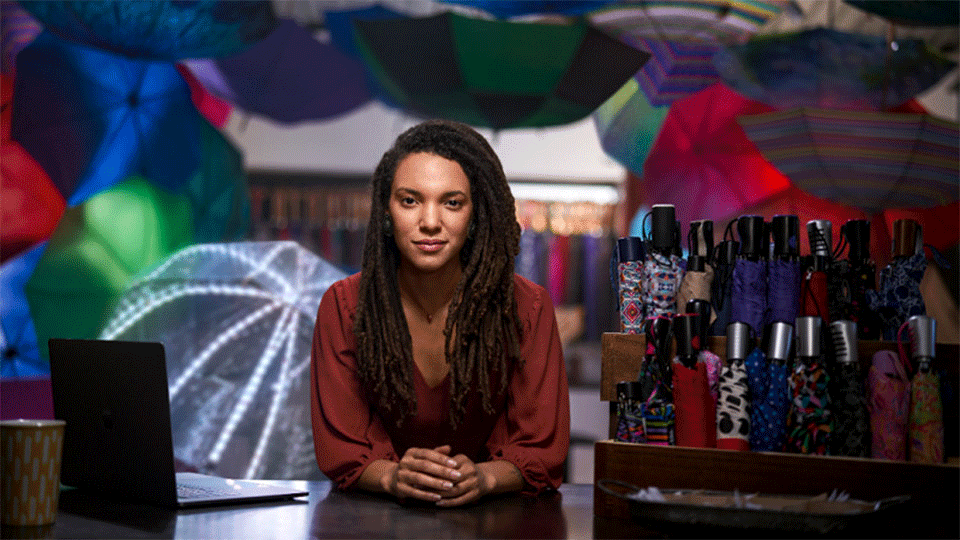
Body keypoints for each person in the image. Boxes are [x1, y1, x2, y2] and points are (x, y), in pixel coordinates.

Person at [310, 119, 570, 507]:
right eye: (410, 200)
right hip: (370, 523)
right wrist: (393, 477)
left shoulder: (526, 308)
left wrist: (484, 477)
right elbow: (340, 446)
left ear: (475, 213)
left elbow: (542, 446)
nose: (430, 223)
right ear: (386, 210)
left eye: (452, 202)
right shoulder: (345, 307)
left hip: (497, 522)